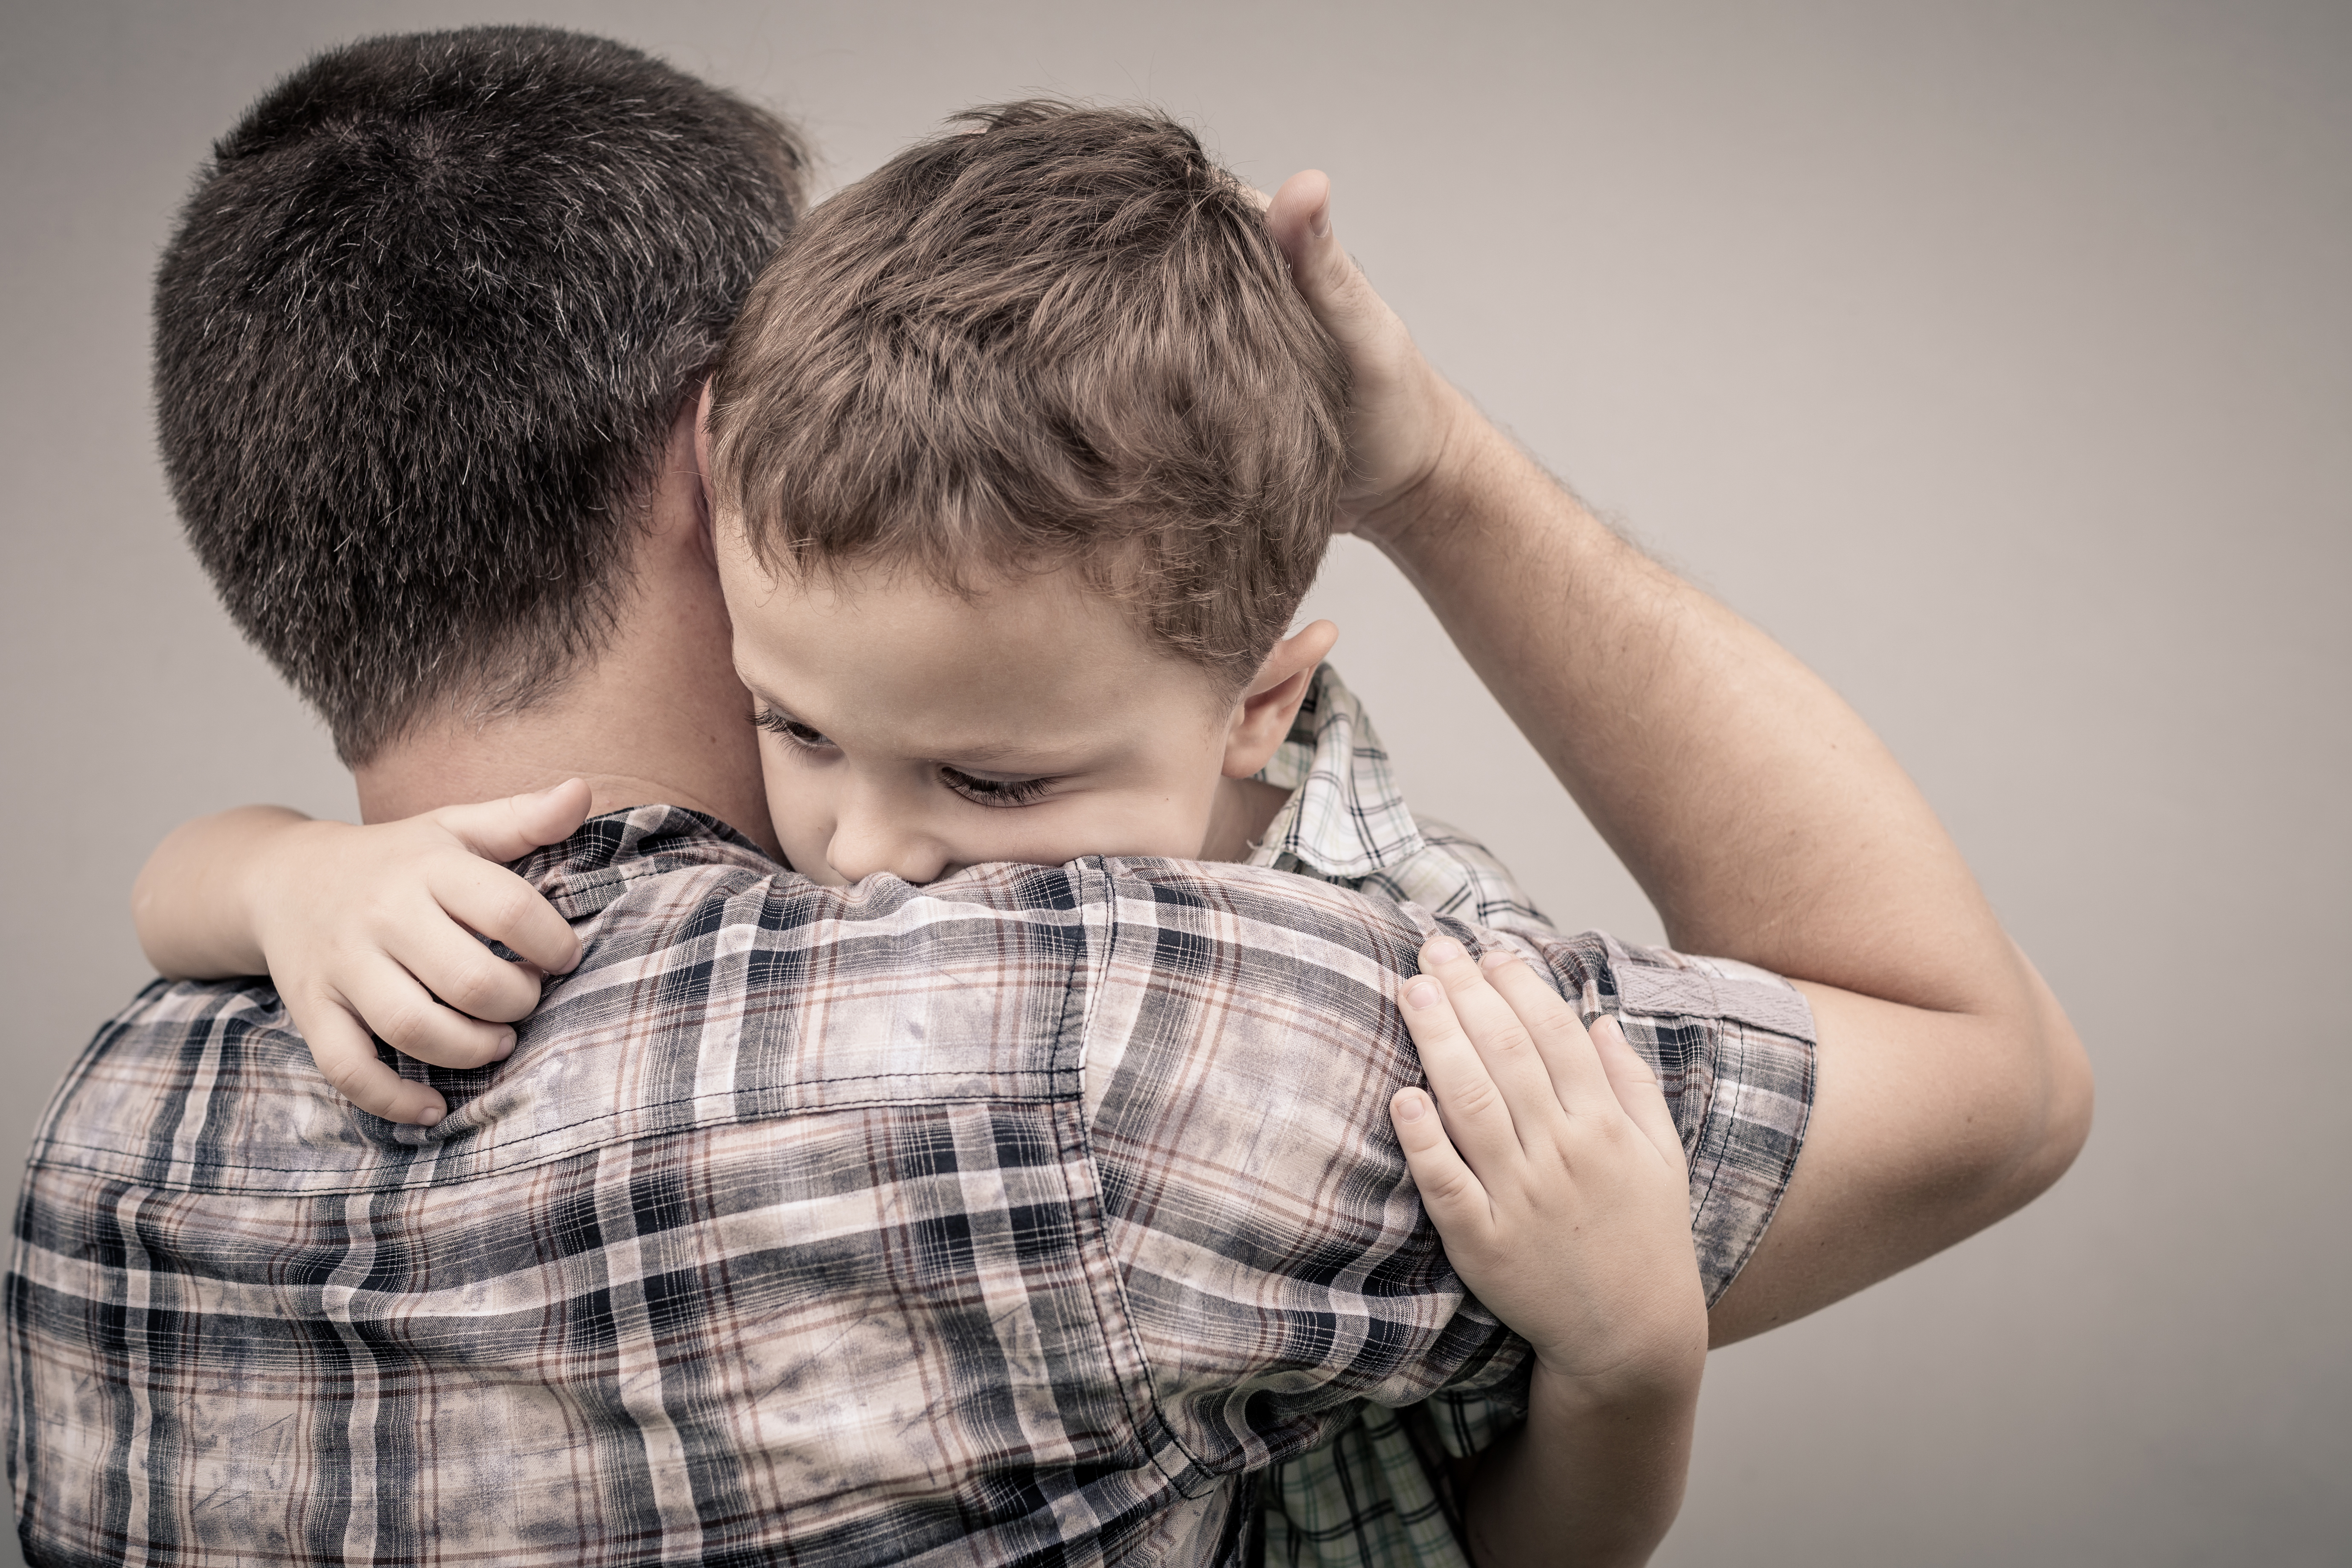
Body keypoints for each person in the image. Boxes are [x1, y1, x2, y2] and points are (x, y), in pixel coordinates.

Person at [9, 23, 2091, 1568]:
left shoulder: (95, 1157)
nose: (885, 852)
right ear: (721, 463)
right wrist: (1437, 468)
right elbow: (1986, 1076)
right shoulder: (1115, 1035)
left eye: (983, 770)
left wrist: (270, 873)